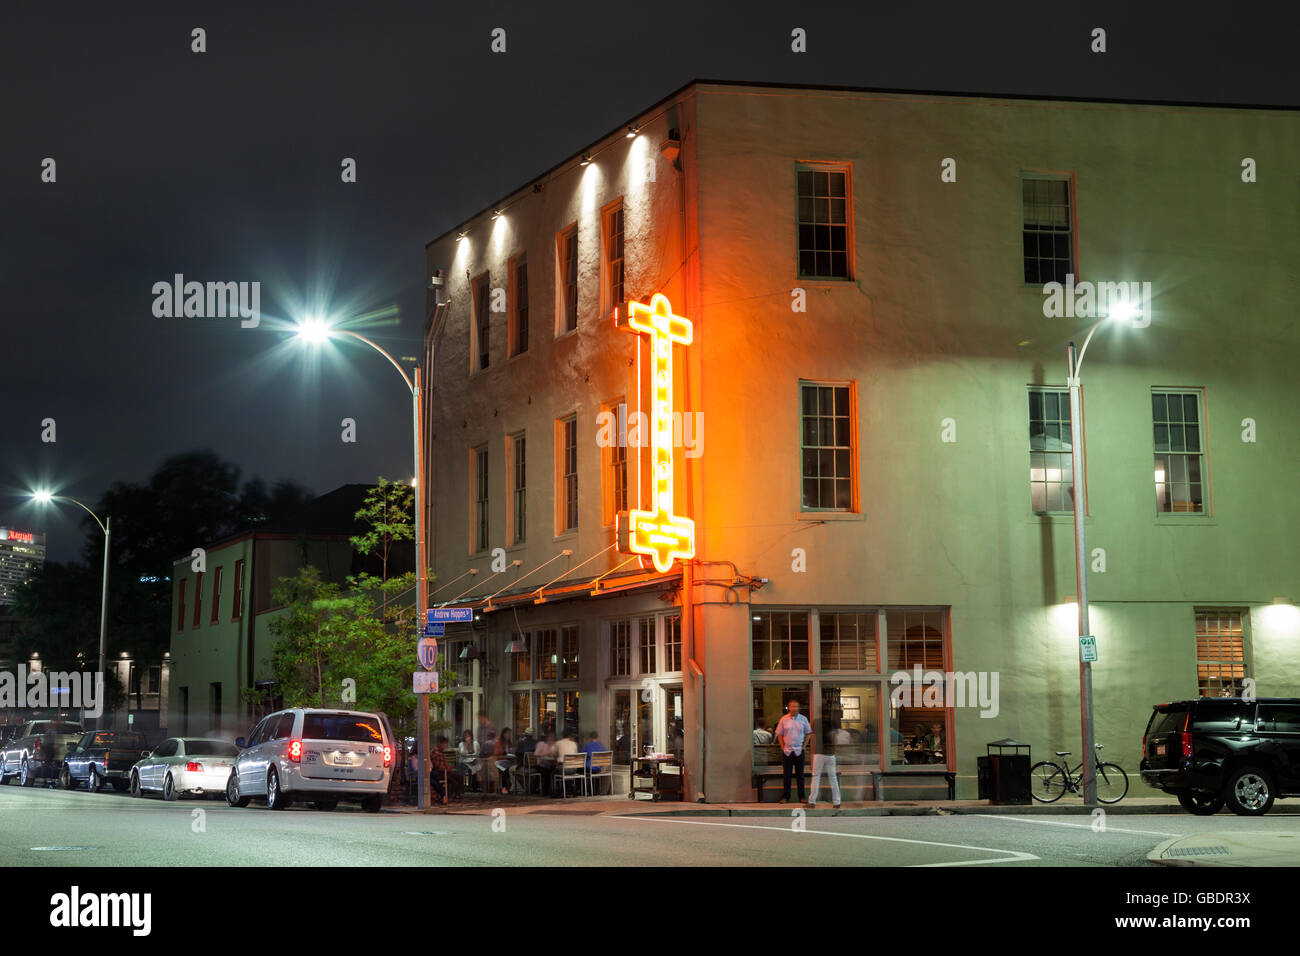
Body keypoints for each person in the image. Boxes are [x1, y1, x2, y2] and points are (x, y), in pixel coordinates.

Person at [774, 699, 813, 805]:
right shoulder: (784, 719)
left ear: (798, 708)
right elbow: (779, 734)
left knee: (800, 775)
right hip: (787, 751)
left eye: (796, 706)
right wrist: (782, 747)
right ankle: (786, 796)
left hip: (799, 750)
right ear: (789, 707)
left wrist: (804, 746)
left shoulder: (803, 719)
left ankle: (802, 797)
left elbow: (809, 733)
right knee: (787, 775)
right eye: (792, 706)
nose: (794, 708)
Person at [552, 732, 579, 796]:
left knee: (553, 773)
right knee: (566, 772)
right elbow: (576, 754)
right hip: (574, 769)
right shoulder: (574, 744)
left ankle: (557, 790)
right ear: (569, 736)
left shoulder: (558, 743)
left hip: (563, 769)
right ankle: (570, 788)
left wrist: (558, 757)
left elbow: (553, 754)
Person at [494, 728, 515, 794]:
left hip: (507, 761)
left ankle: (511, 787)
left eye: (509, 734)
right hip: (499, 761)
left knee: (512, 769)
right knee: (505, 771)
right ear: (503, 734)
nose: (508, 735)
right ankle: (504, 788)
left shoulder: (510, 743)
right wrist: (503, 752)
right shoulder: (498, 742)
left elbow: (512, 751)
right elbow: (496, 752)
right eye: (507, 733)